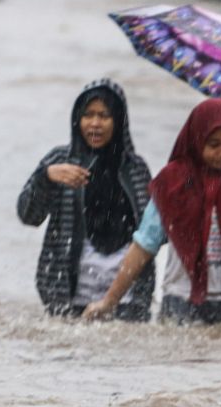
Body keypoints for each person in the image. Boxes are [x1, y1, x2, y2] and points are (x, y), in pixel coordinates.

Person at [82, 99, 221, 327]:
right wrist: (110, 301)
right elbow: (143, 247)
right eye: (213, 144)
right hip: (182, 300)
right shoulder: (172, 186)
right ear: (196, 141)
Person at [18, 79, 154, 320]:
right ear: (77, 119)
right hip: (69, 293)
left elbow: (152, 233)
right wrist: (46, 177)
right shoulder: (59, 159)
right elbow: (28, 215)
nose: (95, 123)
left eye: (104, 115)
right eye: (88, 115)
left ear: (119, 120)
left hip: (127, 294)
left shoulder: (136, 169)